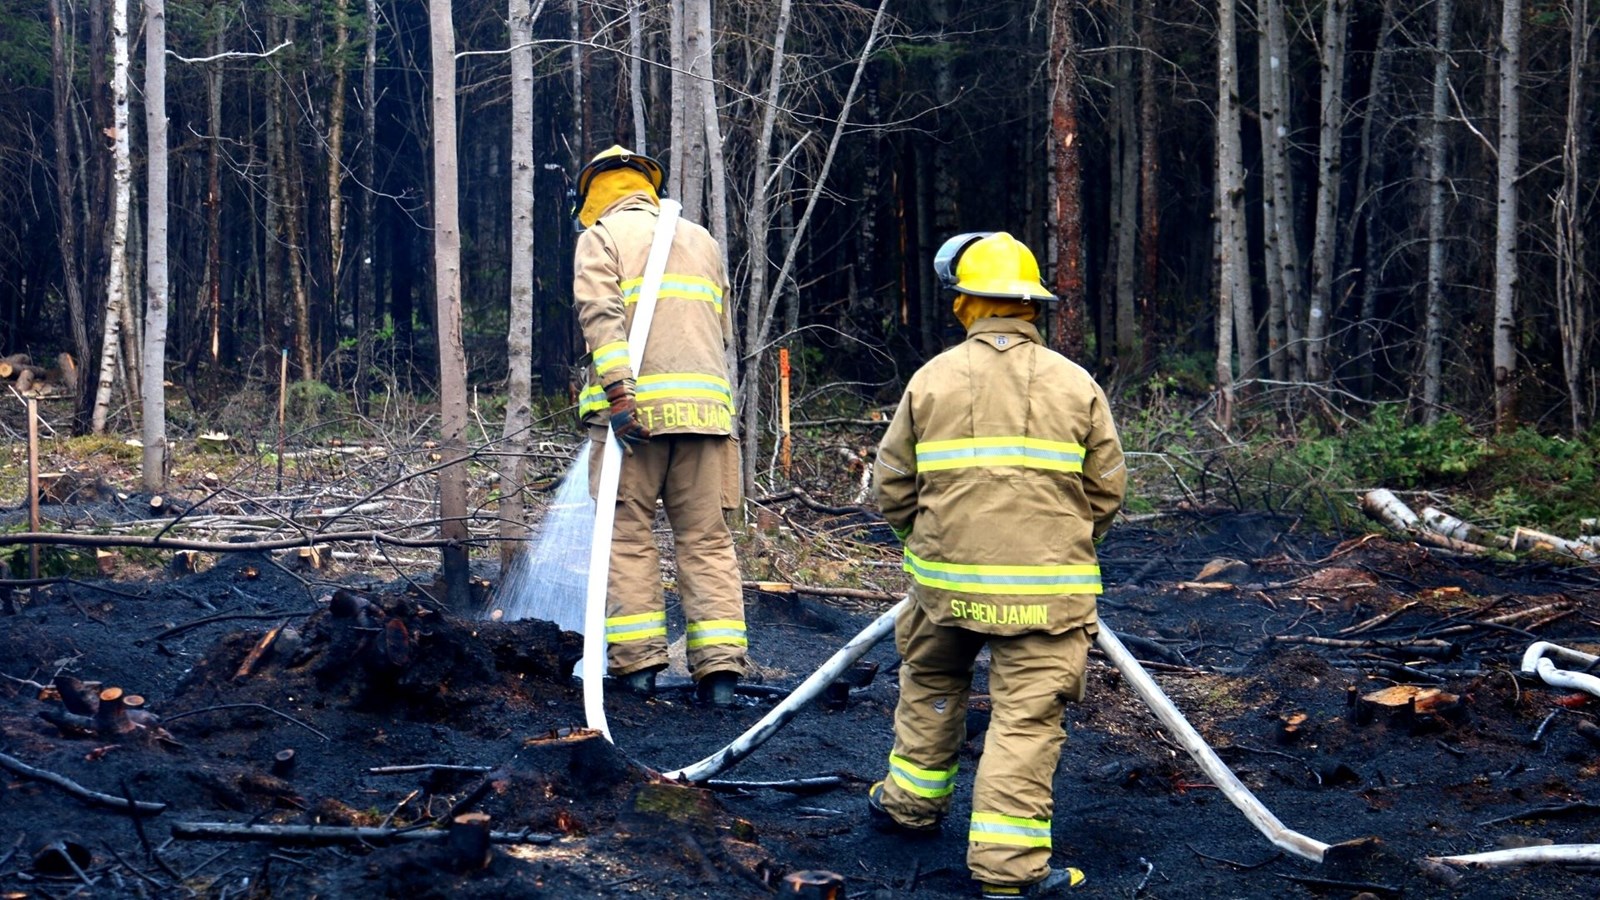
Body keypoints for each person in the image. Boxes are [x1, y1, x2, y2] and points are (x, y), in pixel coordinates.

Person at [867, 232, 1126, 897]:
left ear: (966, 302)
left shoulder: (931, 379)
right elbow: (1106, 491)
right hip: (1047, 597)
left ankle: (910, 805)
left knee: (930, 684)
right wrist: (1062, 544)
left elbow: (892, 484)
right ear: (1031, 304)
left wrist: (927, 544)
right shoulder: (1076, 384)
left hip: (943, 587)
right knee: (1024, 720)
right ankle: (1008, 870)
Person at [571, 145, 747, 708]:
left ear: (594, 194)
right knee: (707, 541)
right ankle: (720, 676)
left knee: (627, 538)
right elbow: (720, 330)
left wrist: (620, 393)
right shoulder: (701, 239)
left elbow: (602, 319)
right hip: (706, 419)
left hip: (634, 419)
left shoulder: (600, 238)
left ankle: (639, 668)